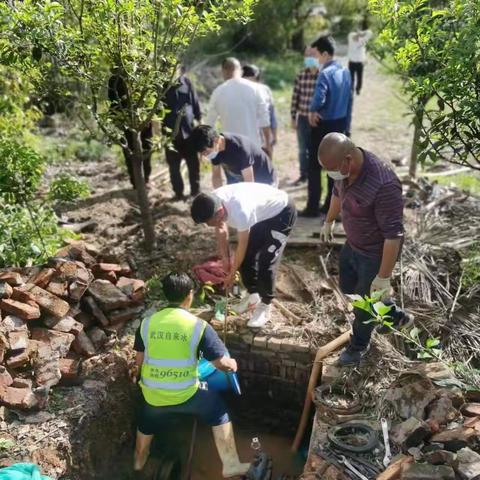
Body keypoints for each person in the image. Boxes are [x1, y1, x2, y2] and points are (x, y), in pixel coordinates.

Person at [131, 272, 250, 478]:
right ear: (190, 295)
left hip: (153, 397)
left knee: (146, 421)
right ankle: (230, 465)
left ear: (165, 295)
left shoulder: (147, 323)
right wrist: (233, 364)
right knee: (218, 410)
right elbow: (221, 364)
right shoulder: (198, 326)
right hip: (187, 396)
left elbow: (139, 362)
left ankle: (139, 463)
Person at [318, 133, 411, 366]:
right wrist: (329, 220)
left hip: (376, 253)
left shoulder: (383, 184)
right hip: (354, 243)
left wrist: (384, 276)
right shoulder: (343, 171)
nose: (331, 175)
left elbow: (393, 235)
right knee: (349, 287)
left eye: (332, 169)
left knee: (363, 305)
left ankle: (358, 347)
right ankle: (394, 315)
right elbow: (337, 194)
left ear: (348, 159)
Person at [191, 183, 297, 328]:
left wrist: (232, 272)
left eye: (210, 222)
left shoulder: (241, 211)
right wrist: (225, 259)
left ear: (219, 213)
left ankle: (265, 306)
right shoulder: (211, 201)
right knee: (247, 258)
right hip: (261, 214)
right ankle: (253, 297)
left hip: (281, 213)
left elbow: (242, 245)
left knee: (267, 261)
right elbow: (221, 228)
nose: (211, 225)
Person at [301, 36, 352, 217]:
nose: (315, 59)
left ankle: (313, 207)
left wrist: (312, 110)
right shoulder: (345, 71)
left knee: (314, 166)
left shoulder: (325, 73)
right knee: (335, 167)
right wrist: (348, 125)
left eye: (316, 55)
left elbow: (319, 98)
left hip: (322, 125)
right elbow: (350, 101)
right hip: (340, 124)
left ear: (324, 53)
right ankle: (330, 206)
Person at [205, 57, 272, 157]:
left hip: (229, 150)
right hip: (252, 148)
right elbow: (265, 121)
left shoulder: (217, 92)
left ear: (223, 71)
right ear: (240, 70)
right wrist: (268, 145)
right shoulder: (256, 89)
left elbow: (209, 125)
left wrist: (214, 155)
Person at [189, 125, 277, 188]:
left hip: (266, 181)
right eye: (202, 153)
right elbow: (216, 177)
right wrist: (219, 198)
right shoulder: (214, 149)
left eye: (206, 152)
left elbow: (250, 184)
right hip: (244, 181)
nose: (205, 155)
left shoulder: (240, 148)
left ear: (216, 140)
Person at [108, 66, 153, 188]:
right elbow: (113, 102)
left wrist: (148, 116)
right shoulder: (114, 80)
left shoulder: (143, 75)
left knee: (147, 149)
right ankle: (136, 183)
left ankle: (146, 179)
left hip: (144, 122)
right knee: (130, 154)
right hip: (125, 123)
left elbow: (150, 98)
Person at [163, 66, 202, 200]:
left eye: (176, 68)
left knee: (193, 165)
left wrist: (199, 123)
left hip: (188, 132)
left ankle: (195, 192)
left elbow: (195, 104)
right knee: (173, 167)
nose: (173, 71)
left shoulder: (187, 82)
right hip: (170, 134)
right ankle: (178, 193)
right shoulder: (162, 85)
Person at [290, 47, 320, 185]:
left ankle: (316, 174)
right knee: (302, 149)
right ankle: (303, 175)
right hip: (302, 118)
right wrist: (292, 116)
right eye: (306, 55)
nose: (308, 58)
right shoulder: (300, 76)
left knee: (316, 147)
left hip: (317, 119)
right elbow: (295, 97)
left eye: (311, 55)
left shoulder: (323, 75)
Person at [242, 64, 278, 151]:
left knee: (267, 161)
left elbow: (271, 114)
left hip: (263, 137)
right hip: (245, 139)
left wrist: (274, 135)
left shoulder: (265, 90)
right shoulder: (238, 93)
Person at [348, 19, 373, 96]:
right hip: (352, 62)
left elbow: (370, 33)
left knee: (360, 78)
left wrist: (362, 33)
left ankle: (358, 90)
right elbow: (355, 36)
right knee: (351, 78)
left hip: (360, 62)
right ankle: (351, 90)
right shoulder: (351, 36)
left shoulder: (363, 40)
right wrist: (360, 34)